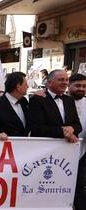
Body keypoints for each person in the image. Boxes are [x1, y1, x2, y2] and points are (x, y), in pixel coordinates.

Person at [29, 69, 81, 142]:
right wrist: (64, 132)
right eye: (61, 80)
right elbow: (36, 128)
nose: (65, 83)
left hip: (68, 148)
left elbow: (78, 125)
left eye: (67, 80)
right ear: (49, 83)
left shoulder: (69, 100)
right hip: (44, 147)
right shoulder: (37, 99)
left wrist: (72, 128)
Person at [0, 72, 29, 140]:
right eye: (25, 84)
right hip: (5, 147)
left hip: (25, 147)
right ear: (18, 86)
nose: (27, 87)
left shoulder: (24, 101)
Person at [68, 73, 86, 210]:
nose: (81, 89)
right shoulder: (60, 102)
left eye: (84, 86)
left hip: (83, 152)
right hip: (60, 152)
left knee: (80, 186)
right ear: (69, 86)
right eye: (77, 86)